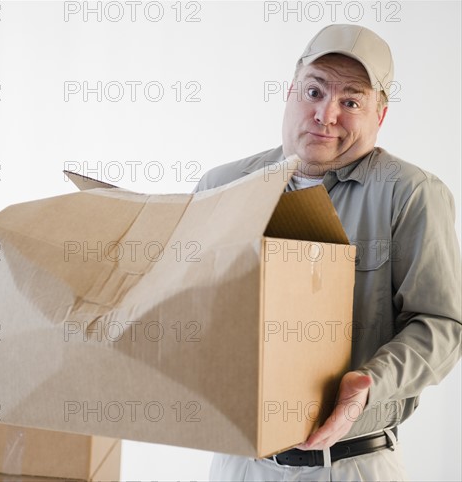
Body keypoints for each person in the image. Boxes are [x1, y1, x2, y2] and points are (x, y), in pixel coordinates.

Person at [194, 24, 462, 481]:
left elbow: (441, 325)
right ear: (290, 92)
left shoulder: (410, 194)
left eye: (351, 101)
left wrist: (368, 385)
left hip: (349, 464)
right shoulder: (222, 187)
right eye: (314, 91)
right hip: (238, 463)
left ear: (379, 115)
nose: (326, 114)